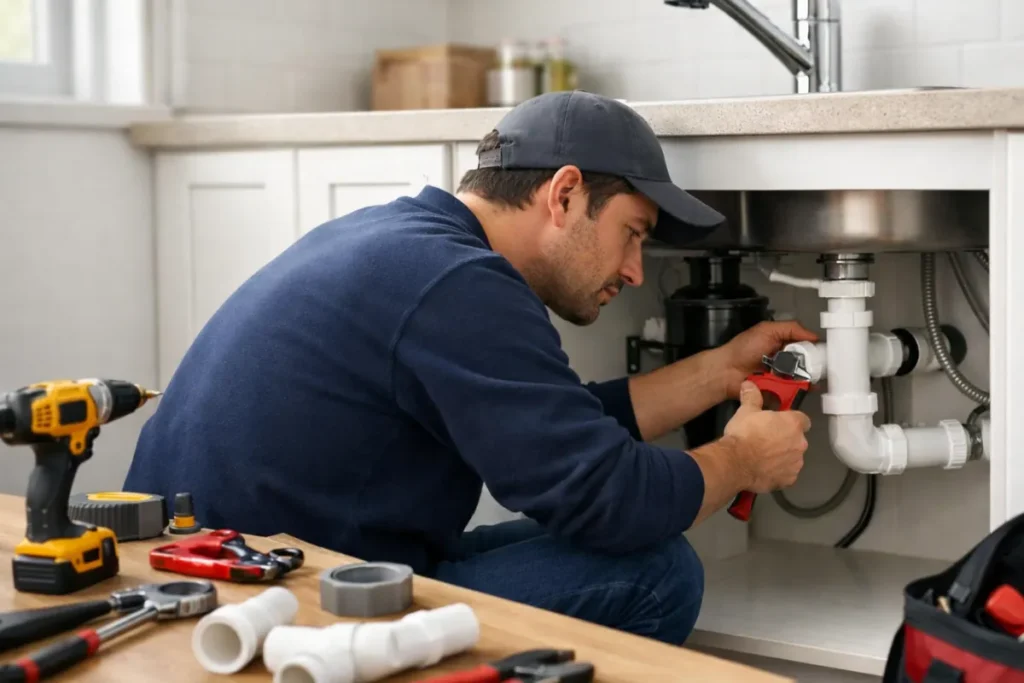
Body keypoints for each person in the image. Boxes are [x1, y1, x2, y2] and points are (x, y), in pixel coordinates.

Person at [123, 91, 813, 645]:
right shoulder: (459, 283)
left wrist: (719, 372)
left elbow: (554, 433)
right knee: (656, 572)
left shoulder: (413, 245)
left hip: (209, 569)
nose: (636, 271)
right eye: (632, 233)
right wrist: (741, 460)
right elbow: (607, 494)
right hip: (269, 609)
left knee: (598, 534)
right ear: (565, 194)